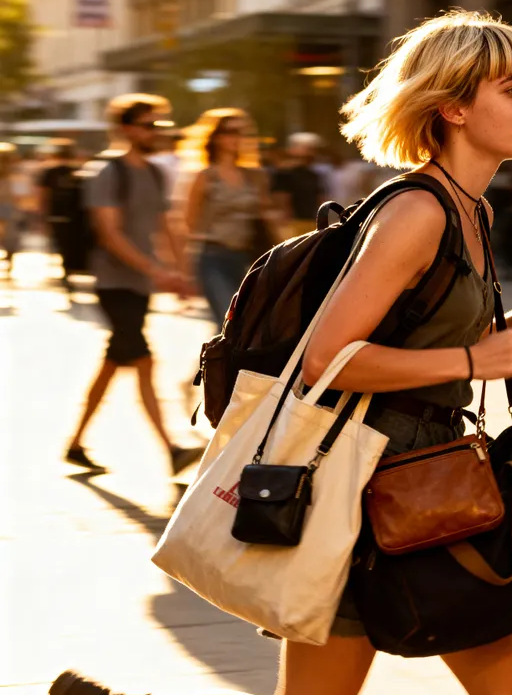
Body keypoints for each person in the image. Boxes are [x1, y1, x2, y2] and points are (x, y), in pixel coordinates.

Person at [26, 11, 512, 695]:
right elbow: (326, 358)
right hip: (361, 497)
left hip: (430, 489)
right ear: (453, 106)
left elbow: (429, 340)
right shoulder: (417, 212)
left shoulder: (474, 210)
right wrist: (473, 357)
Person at [64, 98, 204, 475]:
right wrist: (155, 270)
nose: (156, 132)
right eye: (148, 125)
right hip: (113, 283)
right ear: (126, 128)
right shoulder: (107, 172)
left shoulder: (154, 173)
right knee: (144, 360)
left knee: (113, 363)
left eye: (159, 125)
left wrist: (182, 273)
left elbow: (166, 225)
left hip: (140, 284)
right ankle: (172, 448)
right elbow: (109, 234)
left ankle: (75, 444)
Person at [182, 108, 273, 329]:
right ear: (215, 137)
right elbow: (188, 224)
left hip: (247, 258)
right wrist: (184, 273)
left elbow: (265, 217)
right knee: (227, 320)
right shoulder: (205, 176)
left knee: (247, 322)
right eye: (230, 132)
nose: (237, 138)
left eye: (242, 132)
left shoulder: (255, 176)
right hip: (213, 257)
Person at [37, 140, 85, 293]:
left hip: (58, 213)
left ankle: (67, 270)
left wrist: (42, 214)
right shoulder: (77, 171)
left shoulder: (51, 172)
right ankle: (68, 270)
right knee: (68, 243)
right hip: (73, 215)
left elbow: (43, 195)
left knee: (61, 243)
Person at [272, 133, 323, 239]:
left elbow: (319, 197)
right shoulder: (284, 173)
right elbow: (280, 197)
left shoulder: (312, 174)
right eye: (309, 149)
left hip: (310, 221)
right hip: (292, 223)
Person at [0, 144, 21, 275]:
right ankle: (9, 258)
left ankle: (9, 258)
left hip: (8, 205)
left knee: (8, 234)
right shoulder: (15, 172)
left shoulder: (15, 172)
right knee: (10, 235)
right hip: (9, 205)